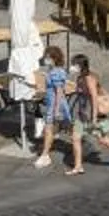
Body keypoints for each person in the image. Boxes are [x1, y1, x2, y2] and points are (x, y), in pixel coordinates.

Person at [73, 54, 109, 170]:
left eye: (74, 64)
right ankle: (78, 166)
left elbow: (94, 99)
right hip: (84, 114)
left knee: (102, 138)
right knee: (76, 137)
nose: (72, 67)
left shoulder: (90, 78)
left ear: (80, 65)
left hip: (94, 114)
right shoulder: (80, 78)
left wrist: (94, 118)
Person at [35, 42, 81, 175]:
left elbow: (59, 92)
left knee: (50, 129)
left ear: (55, 58)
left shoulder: (56, 73)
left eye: (48, 57)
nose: (46, 59)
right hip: (54, 104)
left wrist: (55, 110)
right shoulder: (53, 71)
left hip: (57, 105)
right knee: (65, 128)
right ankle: (78, 147)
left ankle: (45, 155)